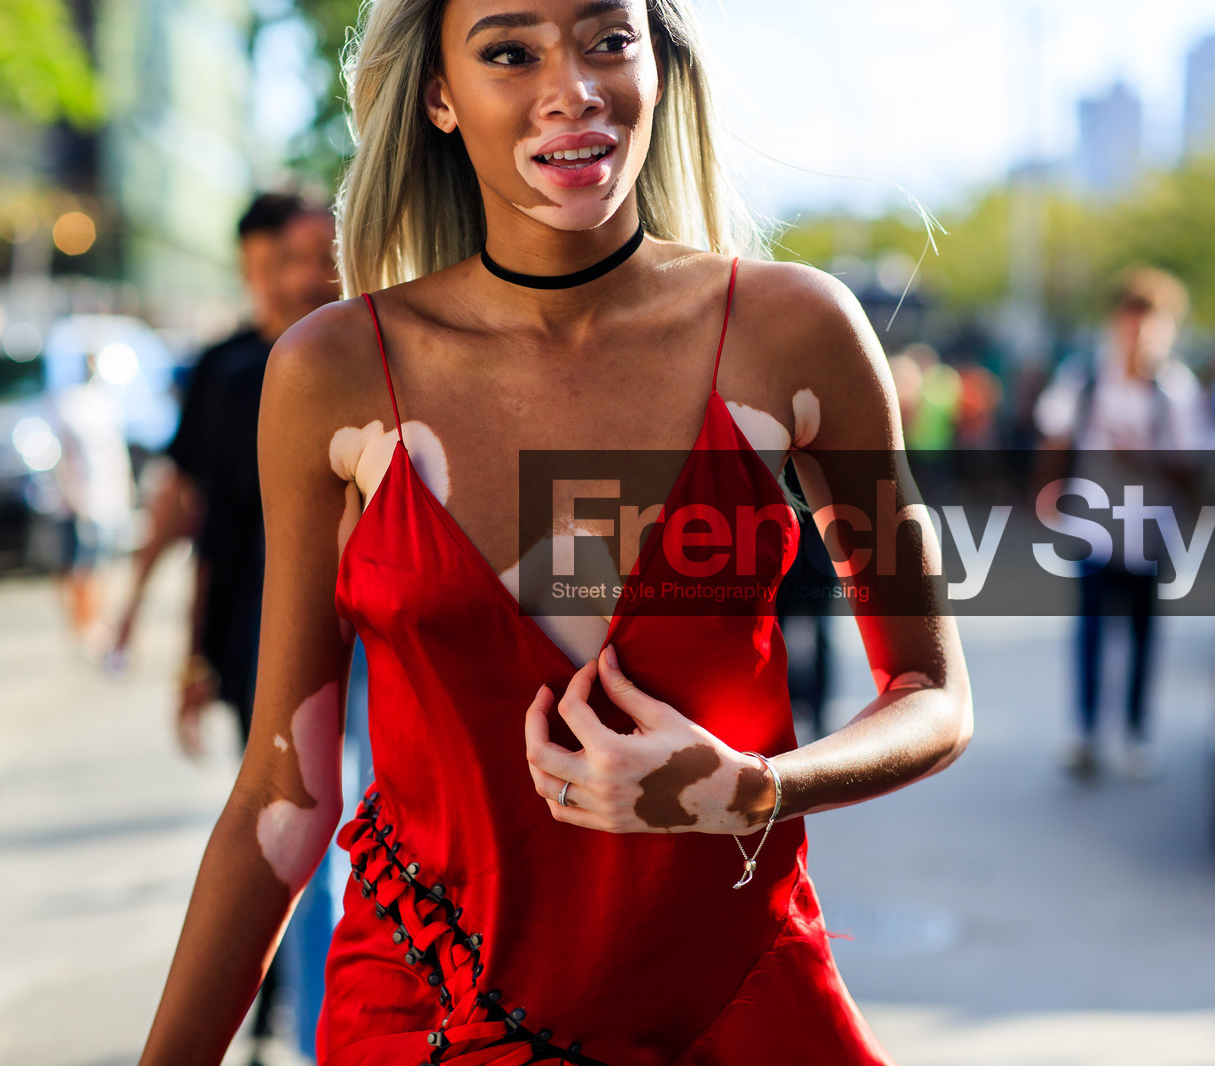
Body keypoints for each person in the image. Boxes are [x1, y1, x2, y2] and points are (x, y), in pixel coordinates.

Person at [139, 2, 973, 1063]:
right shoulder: (333, 372)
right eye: (508, 51)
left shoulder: (792, 332)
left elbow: (931, 695)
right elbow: (283, 794)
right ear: (440, 94)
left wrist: (757, 788)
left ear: (658, 68)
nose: (570, 84)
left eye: (607, 40)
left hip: (734, 1011)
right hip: (428, 1022)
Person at [109, 193, 338, 684]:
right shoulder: (228, 373)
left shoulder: (375, 356)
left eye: (322, 259)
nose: (295, 281)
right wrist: (183, 644)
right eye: (280, 263)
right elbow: (198, 507)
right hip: (254, 621)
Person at [1034, 265, 1206, 782]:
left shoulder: (1174, 390)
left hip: (1149, 532)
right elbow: (1054, 438)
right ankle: (1085, 731)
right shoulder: (1085, 377)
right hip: (1093, 528)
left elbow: (1191, 464)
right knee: (1089, 629)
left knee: (1141, 632)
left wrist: (1147, 457)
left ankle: (1136, 732)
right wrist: (1046, 495)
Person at [49, 348, 134, 651]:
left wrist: (125, 490)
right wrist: (71, 495)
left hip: (107, 498)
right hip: (81, 500)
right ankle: (82, 623)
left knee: (103, 564)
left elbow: (115, 453)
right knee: (81, 566)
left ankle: (97, 620)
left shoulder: (106, 402)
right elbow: (62, 456)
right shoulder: (71, 404)